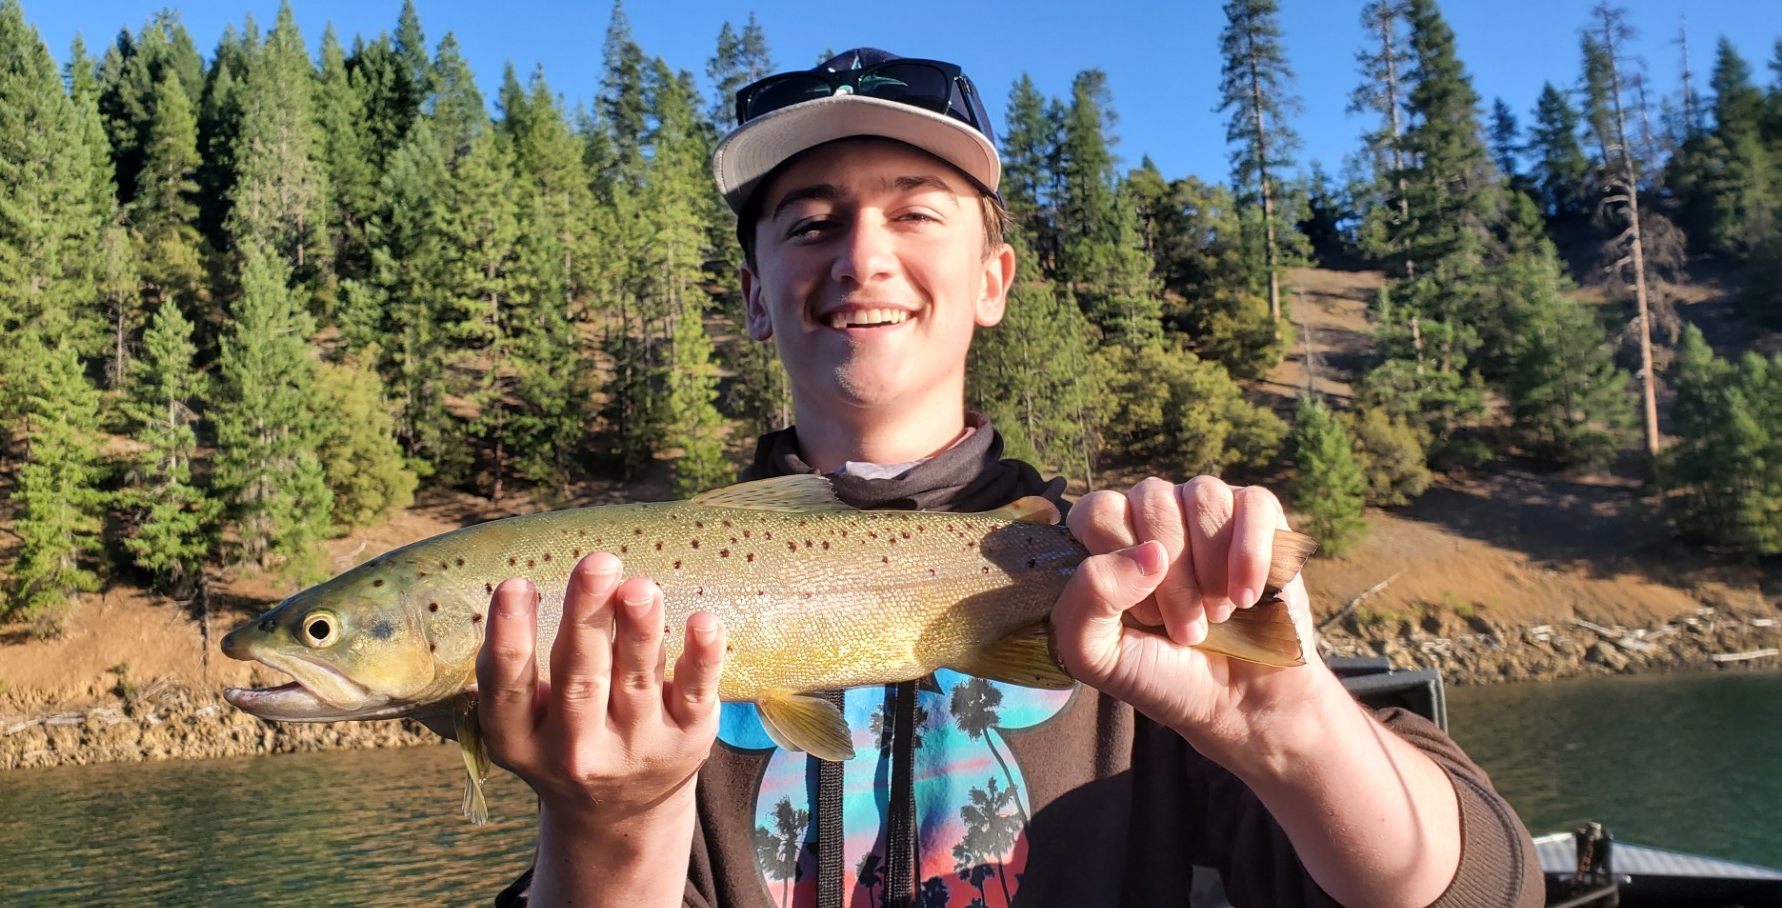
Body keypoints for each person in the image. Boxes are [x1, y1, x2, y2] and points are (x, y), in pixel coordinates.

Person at [472, 48, 1543, 908]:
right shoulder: (636, 616)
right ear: (755, 295)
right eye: (811, 224)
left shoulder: (1133, 584)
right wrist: (611, 825)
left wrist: (1291, 726)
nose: (861, 256)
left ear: (993, 280)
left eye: (914, 211)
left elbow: (1487, 886)